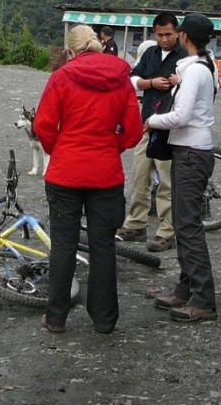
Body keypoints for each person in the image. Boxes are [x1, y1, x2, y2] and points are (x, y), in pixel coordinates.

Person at [33, 24, 143, 334]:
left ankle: (55, 317)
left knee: (64, 246)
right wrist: (111, 146)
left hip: (65, 173)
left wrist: (60, 150)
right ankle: (104, 320)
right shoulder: (121, 81)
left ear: (71, 49)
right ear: (96, 45)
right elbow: (133, 132)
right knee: (103, 246)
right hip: (105, 174)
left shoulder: (61, 78)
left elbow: (43, 125)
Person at [145, 13, 219, 323]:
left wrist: (150, 120)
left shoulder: (196, 72)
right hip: (189, 151)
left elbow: (181, 117)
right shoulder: (200, 68)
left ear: (184, 36)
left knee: (188, 228)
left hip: (191, 153)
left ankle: (203, 299)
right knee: (182, 222)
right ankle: (186, 288)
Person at [117, 13, 185, 253]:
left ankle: (167, 231)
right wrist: (151, 83)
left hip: (171, 128)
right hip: (146, 124)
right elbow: (132, 78)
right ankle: (136, 224)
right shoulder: (151, 53)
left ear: (177, 32)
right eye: (160, 35)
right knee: (139, 176)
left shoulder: (185, 57)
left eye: (168, 34)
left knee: (166, 182)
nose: (164, 39)